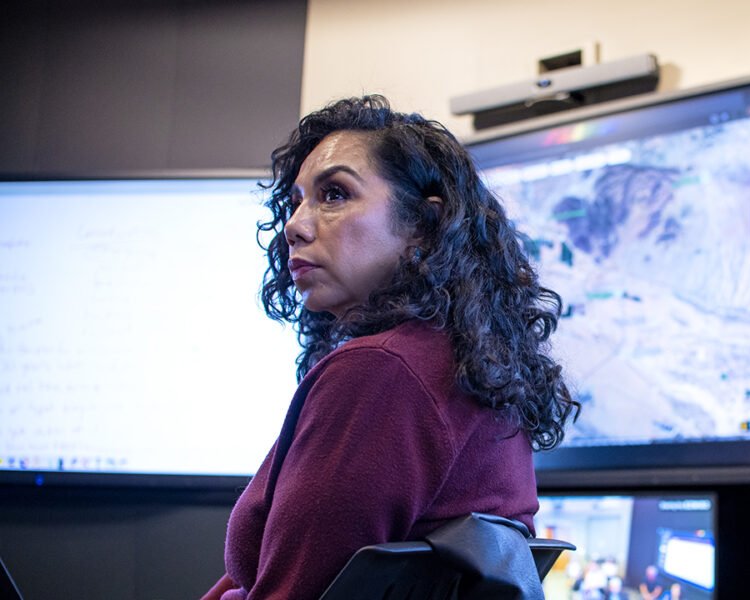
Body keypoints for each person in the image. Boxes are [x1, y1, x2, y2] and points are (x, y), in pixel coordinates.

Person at [201, 95, 578, 600]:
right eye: (296, 201)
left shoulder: (382, 371)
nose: (294, 225)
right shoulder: (461, 362)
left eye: (334, 194)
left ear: (422, 225)